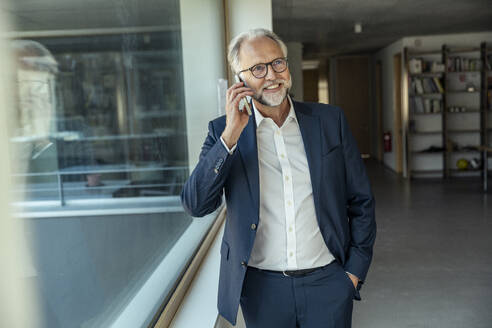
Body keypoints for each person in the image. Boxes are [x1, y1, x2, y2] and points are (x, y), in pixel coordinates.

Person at [181, 28, 376, 328]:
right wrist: (230, 137)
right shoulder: (222, 131)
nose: (271, 75)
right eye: (258, 68)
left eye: (277, 63)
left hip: (328, 282)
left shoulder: (329, 121)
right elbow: (196, 204)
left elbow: (361, 200)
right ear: (240, 80)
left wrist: (352, 274)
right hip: (262, 290)